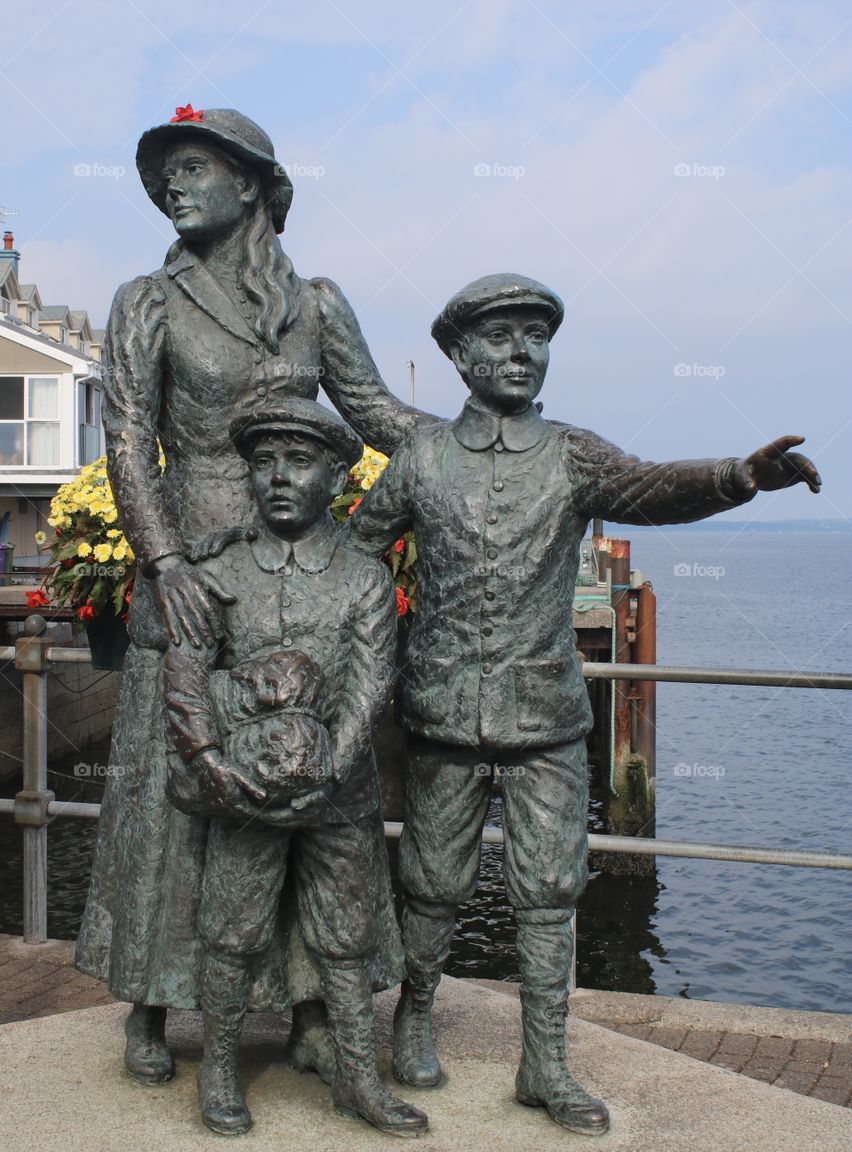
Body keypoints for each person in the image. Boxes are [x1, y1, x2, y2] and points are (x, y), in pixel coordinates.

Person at [347, 272, 821, 1137]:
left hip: (547, 715)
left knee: (550, 887)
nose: (520, 351)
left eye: (535, 334)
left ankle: (545, 1062)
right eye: (497, 335)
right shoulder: (419, 459)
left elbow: (649, 488)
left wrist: (736, 475)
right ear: (457, 355)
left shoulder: (571, 453)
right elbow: (354, 557)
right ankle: (412, 1015)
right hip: (442, 708)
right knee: (431, 881)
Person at [75, 105, 431, 1087]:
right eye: (167, 174)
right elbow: (128, 442)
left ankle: (315, 1002)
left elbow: (380, 416)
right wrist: (164, 562)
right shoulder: (145, 298)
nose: (174, 185)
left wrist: (486, 443)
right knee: (169, 794)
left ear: (251, 184)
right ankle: (149, 995)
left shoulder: (314, 302)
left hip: (301, 573)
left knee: (309, 776)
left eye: (193, 167)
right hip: (192, 571)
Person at [162, 397, 428, 1137]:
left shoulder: (364, 579)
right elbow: (184, 675)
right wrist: (211, 762)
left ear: (338, 476)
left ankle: (357, 1077)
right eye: (264, 461)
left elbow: (372, 686)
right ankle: (217, 1069)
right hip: (241, 791)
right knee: (231, 929)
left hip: (337, 795)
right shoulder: (216, 570)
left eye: (300, 461)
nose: (279, 476)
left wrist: (325, 773)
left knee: (346, 936)